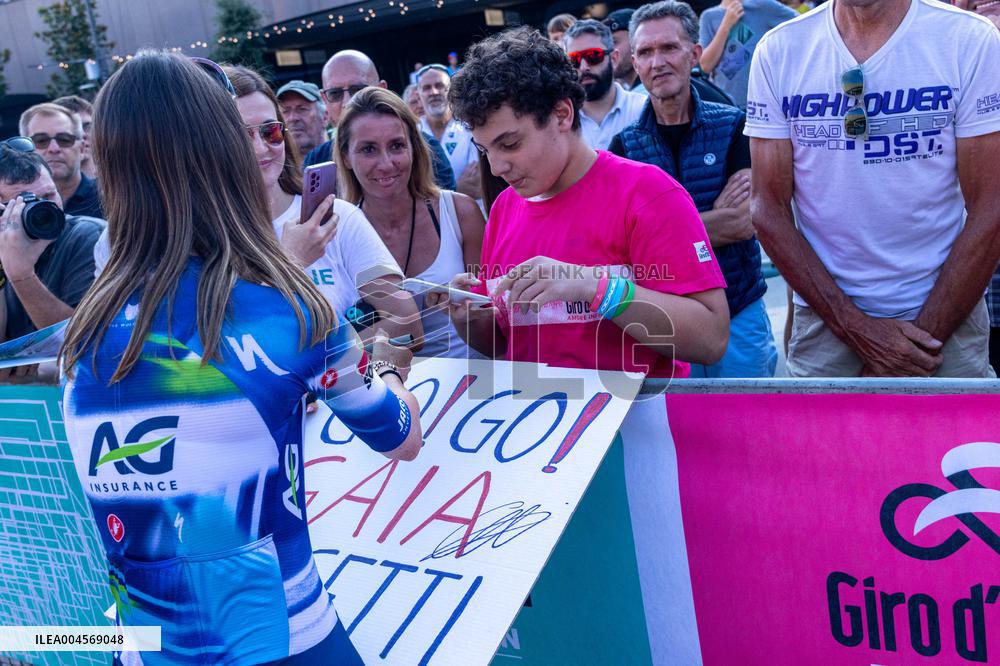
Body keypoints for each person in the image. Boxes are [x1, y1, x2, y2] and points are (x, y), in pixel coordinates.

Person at [59, 51, 423, 666]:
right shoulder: (286, 310)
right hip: (281, 641)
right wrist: (384, 362)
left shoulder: (84, 330)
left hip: (142, 646)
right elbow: (401, 437)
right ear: (224, 154)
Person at [442, 25, 728, 377]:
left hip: (631, 426)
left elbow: (710, 338)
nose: (497, 167)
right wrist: (471, 319)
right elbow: (507, 344)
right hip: (539, 423)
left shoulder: (647, 193)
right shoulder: (505, 208)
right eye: (485, 151)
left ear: (562, 115)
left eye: (511, 144)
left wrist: (596, 288)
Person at [746, 0, 1000, 377]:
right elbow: (767, 209)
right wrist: (855, 329)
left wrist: (917, 342)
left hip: (948, 323)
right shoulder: (779, 49)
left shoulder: (969, 39)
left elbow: (991, 206)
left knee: (952, 437)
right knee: (825, 438)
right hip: (827, 328)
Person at [611, 0, 775, 378]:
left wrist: (658, 235)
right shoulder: (625, 147)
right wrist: (712, 220)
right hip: (666, 325)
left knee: (748, 427)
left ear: (695, 54)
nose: (658, 62)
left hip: (739, 313)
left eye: (669, 47)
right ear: (634, 64)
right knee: (683, 435)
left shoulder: (734, 126)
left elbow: (742, 223)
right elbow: (626, 246)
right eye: (646, 52)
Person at [227, 66, 423, 346]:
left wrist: (328, 350)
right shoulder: (206, 238)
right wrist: (291, 262)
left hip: (352, 389)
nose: (261, 148)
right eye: (242, 135)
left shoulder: (335, 217)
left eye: (271, 132)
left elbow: (407, 325)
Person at [335, 87, 486, 358]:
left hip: (470, 387)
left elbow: (491, 319)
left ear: (414, 149)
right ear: (346, 157)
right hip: (384, 391)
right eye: (368, 149)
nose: (386, 163)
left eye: (396, 146)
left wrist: (467, 309)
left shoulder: (460, 213)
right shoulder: (337, 235)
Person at [304, 50, 457, 191]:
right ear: (324, 99)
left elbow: (445, 212)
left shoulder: (426, 148)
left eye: (358, 90)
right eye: (335, 93)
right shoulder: (317, 161)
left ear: (381, 89)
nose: (347, 102)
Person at [0, 137, 103, 343]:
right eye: (23, 203)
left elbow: (83, 341)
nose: (43, 210)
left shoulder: (89, 237)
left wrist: (21, 274)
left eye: (48, 196)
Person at [564, 20, 646, 151]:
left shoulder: (642, 109)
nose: (584, 67)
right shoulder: (562, 120)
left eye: (593, 56)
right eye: (574, 60)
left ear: (614, 58)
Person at [699, 0, 797, 109]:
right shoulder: (708, 16)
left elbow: (803, 23)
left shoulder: (763, 6)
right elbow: (705, 66)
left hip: (761, 105)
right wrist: (726, 26)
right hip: (724, 104)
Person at [18, 103, 104, 219]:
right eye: (41, 140)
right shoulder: (16, 206)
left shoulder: (111, 198)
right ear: (24, 150)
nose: (54, 148)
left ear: (82, 148)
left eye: (64, 139)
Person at [416, 64, 481, 198]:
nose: (434, 92)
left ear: (451, 90)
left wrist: (433, 191)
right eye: (426, 88)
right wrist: (457, 187)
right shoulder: (412, 131)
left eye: (439, 85)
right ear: (419, 95)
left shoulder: (470, 126)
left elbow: (477, 184)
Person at [276, 80, 329, 156]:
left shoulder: (345, 160)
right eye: (285, 111)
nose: (293, 118)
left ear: (325, 118)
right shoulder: (272, 166)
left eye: (302, 109)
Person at [52, 95, 95, 179]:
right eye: (72, 128)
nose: (82, 134)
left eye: (86, 126)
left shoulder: (121, 177)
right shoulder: (45, 189)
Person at [603, 9, 644, 93]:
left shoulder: (654, 93)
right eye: (606, 45)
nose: (609, 51)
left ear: (636, 41)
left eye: (614, 42)